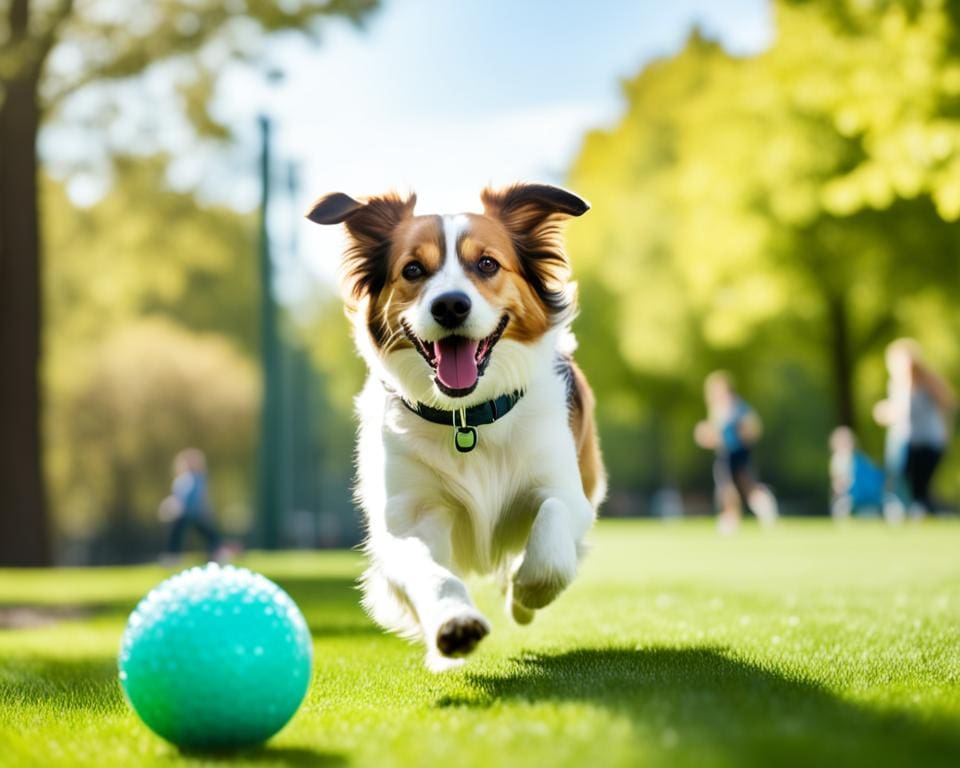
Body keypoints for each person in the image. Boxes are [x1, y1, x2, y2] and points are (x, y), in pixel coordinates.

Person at [873, 339, 955, 517]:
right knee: (900, 479)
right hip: (906, 440)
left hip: (927, 441)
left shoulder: (928, 382)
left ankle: (918, 509)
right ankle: (903, 508)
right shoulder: (896, 384)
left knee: (919, 486)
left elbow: (948, 403)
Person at [694, 371, 778, 533]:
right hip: (726, 454)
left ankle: (750, 514)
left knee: (742, 486)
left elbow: (752, 428)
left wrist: (738, 438)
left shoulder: (736, 407)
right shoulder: (718, 409)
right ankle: (731, 517)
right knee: (727, 487)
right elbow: (718, 436)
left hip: (737, 453)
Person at [159, 448, 226, 563]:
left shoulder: (198, 478)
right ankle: (172, 557)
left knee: (209, 535)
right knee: (176, 534)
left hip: (196, 513)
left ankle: (219, 553)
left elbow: (195, 498)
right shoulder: (182, 479)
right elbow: (178, 497)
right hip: (183, 514)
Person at [828, 426, 885, 520]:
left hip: (862, 495)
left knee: (867, 515)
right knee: (843, 508)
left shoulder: (859, 460)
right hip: (848, 495)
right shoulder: (838, 460)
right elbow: (837, 481)